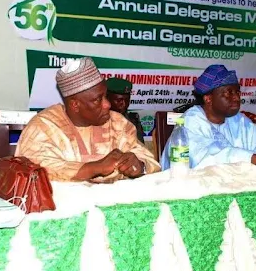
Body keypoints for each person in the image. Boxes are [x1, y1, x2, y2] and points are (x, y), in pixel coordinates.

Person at [16, 57, 160, 182]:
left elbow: (149, 160)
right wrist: (96, 168)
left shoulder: (118, 122)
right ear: (75, 105)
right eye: (98, 99)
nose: (107, 104)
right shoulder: (44, 126)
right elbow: (37, 170)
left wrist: (140, 166)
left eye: (105, 96)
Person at [160, 64, 256, 170]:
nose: (237, 98)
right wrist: (254, 158)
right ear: (208, 98)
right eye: (229, 93)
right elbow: (206, 158)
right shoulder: (190, 121)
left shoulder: (238, 120)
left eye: (237, 92)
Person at [105, 77, 145, 143]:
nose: (124, 104)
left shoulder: (133, 120)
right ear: (107, 98)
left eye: (127, 100)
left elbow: (140, 146)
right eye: (119, 101)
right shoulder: (97, 121)